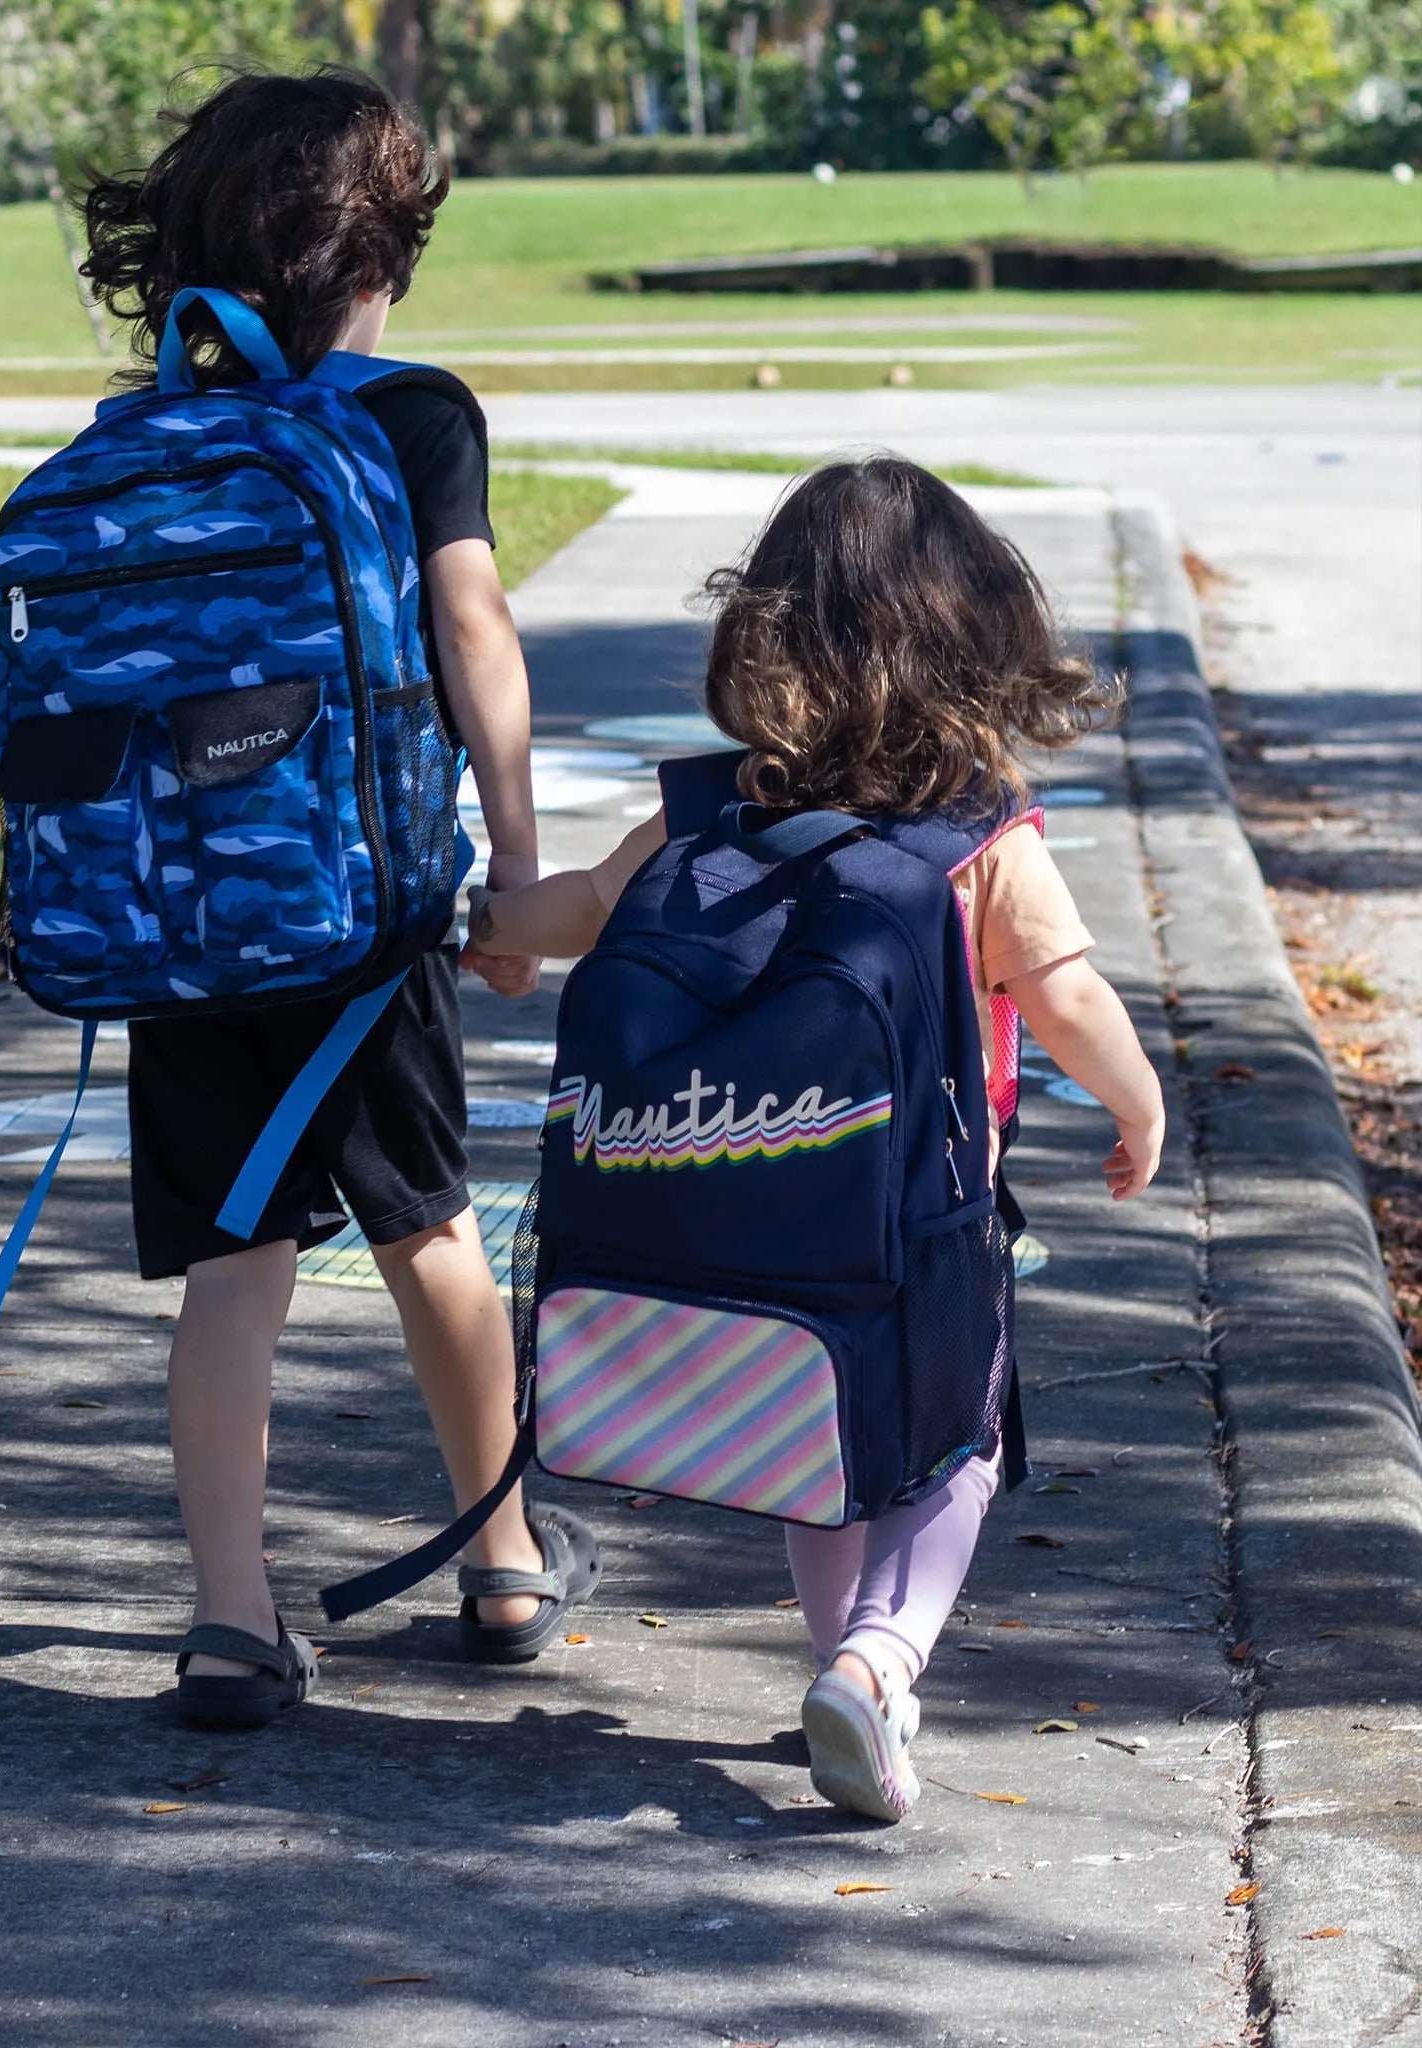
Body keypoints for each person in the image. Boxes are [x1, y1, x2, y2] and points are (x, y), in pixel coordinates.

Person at [463, 455, 1165, 1820]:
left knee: (821, 1443)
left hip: (760, 1203)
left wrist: (483, 929)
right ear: (972, 639)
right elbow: (1069, 998)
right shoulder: (982, 830)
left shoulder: (713, 805)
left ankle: (843, 1669)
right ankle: (878, 1663)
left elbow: (580, 914)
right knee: (954, 1443)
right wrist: (1135, 1106)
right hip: (928, 1216)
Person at [76, 69, 599, 1731]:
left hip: (185, 925)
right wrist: (517, 877)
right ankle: (503, 1559)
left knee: (234, 1272)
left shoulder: (138, 434)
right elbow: (479, 642)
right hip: (364, 917)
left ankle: (231, 1623)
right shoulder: (413, 415)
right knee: (431, 1235)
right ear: (380, 255)